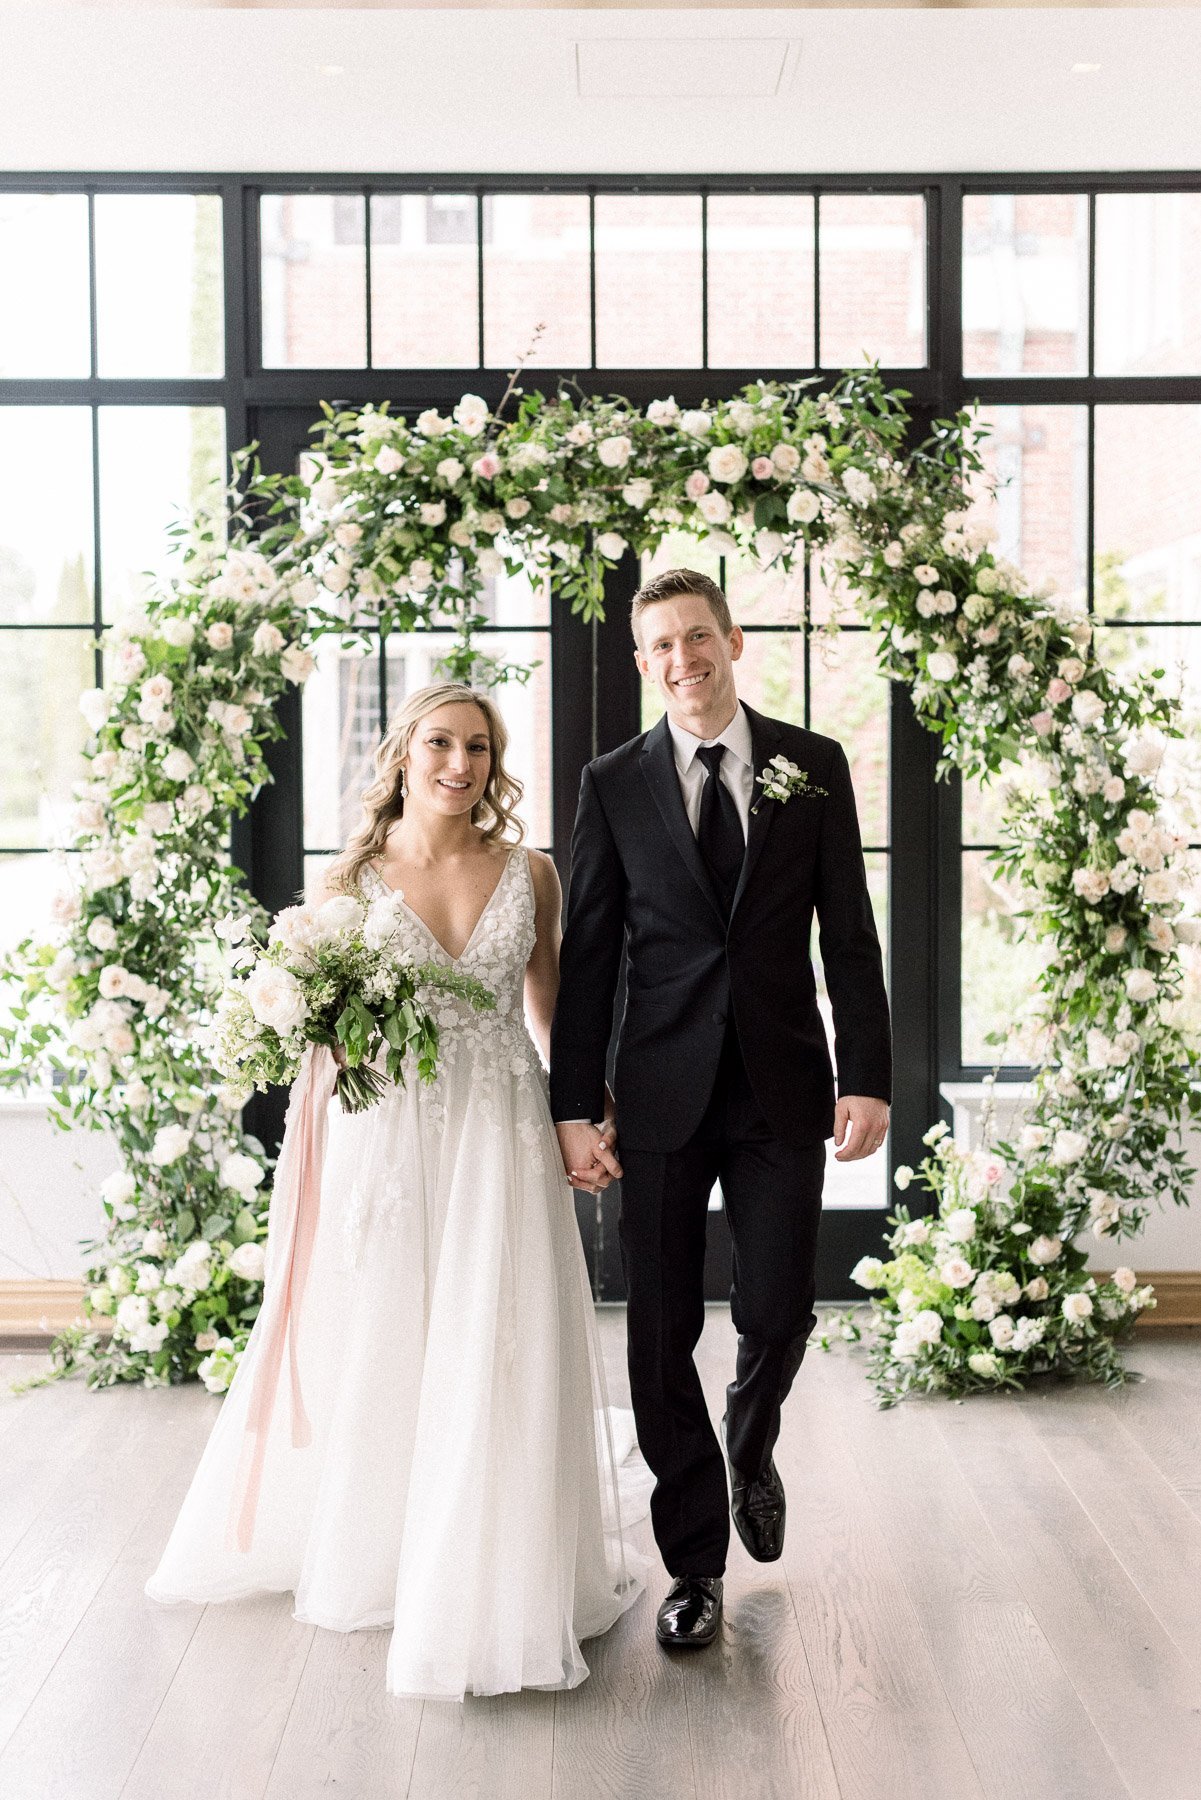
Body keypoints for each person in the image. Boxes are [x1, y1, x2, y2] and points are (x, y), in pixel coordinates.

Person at [146, 681, 645, 1700]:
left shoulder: (531, 874)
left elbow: (552, 1008)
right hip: (394, 1136)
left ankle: (501, 1554)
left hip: (499, 1127)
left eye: (477, 748)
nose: (459, 765)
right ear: (403, 756)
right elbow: (319, 1035)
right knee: (392, 1331)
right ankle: (386, 1549)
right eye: (440, 745)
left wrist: (581, 1116)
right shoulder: (347, 883)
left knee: (498, 1330)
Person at [550, 568, 892, 1651]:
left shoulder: (812, 766)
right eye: (659, 645)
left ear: (733, 641)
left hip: (781, 1081)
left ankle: (750, 1439)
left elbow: (848, 935)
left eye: (697, 637)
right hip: (653, 1092)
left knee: (781, 1307)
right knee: (657, 1334)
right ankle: (693, 1562)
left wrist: (868, 1071)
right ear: (643, 661)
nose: (681, 659)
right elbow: (591, 956)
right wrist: (571, 1106)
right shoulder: (612, 783)